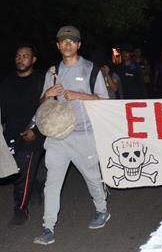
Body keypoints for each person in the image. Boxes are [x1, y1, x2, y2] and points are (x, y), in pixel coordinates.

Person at [33, 26, 111, 245]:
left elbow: (105, 101)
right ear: (58, 46)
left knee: (92, 178)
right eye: (63, 41)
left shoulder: (91, 69)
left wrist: (81, 95)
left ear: (78, 45)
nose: (67, 44)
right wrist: (47, 95)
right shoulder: (52, 72)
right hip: (57, 137)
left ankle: (102, 210)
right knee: (52, 183)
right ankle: (48, 227)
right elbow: (42, 105)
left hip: (83, 135)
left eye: (72, 41)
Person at [0, 45, 45, 226]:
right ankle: (36, 186)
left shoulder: (41, 81)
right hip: (10, 134)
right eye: (18, 56)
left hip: (32, 135)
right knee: (13, 169)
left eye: (25, 56)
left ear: (33, 60)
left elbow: (49, 111)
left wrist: (36, 131)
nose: (21, 59)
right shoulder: (7, 81)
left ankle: (20, 210)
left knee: (22, 174)